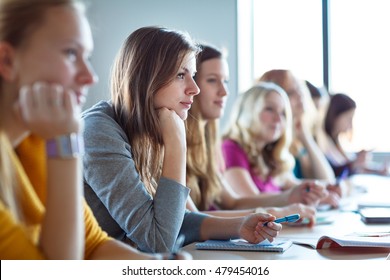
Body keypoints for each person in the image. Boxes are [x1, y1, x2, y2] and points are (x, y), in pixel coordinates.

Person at [0, 0, 184, 260]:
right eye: (70, 54)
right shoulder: (57, 139)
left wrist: (158, 266)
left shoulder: (35, 141)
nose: (90, 76)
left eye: (85, 56)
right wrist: (66, 145)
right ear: (7, 61)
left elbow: (93, 244)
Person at [82, 26, 282, 254]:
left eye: (193, 76)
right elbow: (158, 240)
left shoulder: (145, 130)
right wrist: (177, 142)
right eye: (180, 75)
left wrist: (239, 225)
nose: (194, 89)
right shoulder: (98, 133)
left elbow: (170, 220)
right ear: (146, 78)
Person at [185, 43, 324, 224]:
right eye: (212, 80)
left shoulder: (209, 144)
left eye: (225, 81)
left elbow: (233, 202)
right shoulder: (226, 147)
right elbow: (190, 219)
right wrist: (280, 211)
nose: (225, 91)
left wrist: (289, 198)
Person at [257, 69, 335, 182]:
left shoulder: (295, 139)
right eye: (291, 92)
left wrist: (305, 136)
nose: (299, 95)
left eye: (299, 89)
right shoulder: (271, 140)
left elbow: (326, 178)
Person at [317, 93, 388, 177]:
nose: (350, 125)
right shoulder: (322, 141)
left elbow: (348, 166)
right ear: (335, 115)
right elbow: (333, 173)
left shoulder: (336, 142)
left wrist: (377, 170)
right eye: (348, 118)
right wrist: (354, 163)